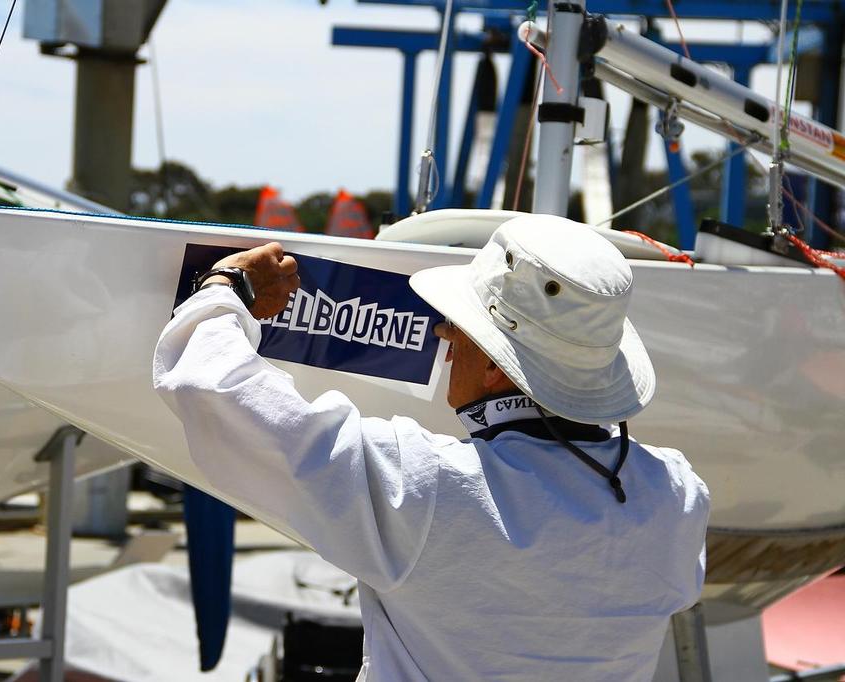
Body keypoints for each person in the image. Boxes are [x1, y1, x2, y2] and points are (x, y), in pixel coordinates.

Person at [153, 214, 710, 681]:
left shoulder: (428, 487)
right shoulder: (677, 496)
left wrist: (228, 291)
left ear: (495, 366)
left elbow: (216, 391)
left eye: (455, 326)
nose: (442, 336)